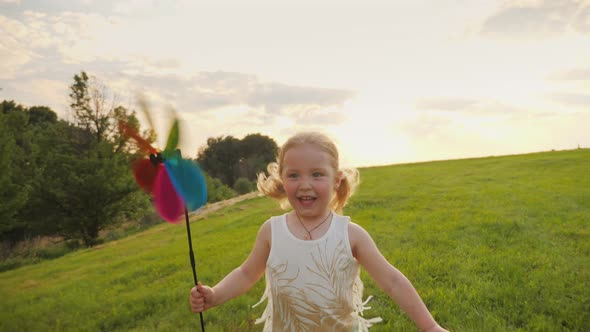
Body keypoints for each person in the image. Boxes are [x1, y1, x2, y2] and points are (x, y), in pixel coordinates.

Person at [190, 132, 448, 331]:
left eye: (316, 174)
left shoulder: (351, 235)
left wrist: (429, 326)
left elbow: (392, 281)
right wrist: (215, 294)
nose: (305, 185)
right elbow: (246, 274)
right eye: (294, 175)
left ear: (336, 180)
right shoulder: (272, 231)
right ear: (282, 178)